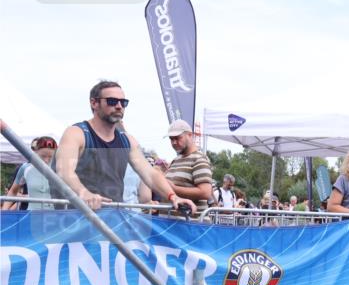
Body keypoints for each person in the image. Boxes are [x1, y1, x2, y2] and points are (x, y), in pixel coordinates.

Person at [55, 81, 196, 214]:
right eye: (112, 101)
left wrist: (173, 197)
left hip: (111, 221)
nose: (119, 106)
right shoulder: (76, 133)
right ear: (94, 103)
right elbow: (64, 170)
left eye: (123, 102)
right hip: (73, 220)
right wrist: (84, 193)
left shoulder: (127, 140)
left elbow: (150, 174)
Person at [165, 119, 214, 215]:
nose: (174, 142)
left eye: (178, 138)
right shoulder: (175, 160)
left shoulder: (199, 159)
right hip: (172, 224)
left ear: (190, 135)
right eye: (171, 139)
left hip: (190, 224)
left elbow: (205, 193)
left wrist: (173, 188)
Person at [3, 136, 56, 210]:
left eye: (50, 157)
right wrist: (4, 211)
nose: (46, 160)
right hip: (32, 216)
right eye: (43, 156)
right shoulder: (26, 168)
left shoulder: (60, 168)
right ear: (35, 152)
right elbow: (13, 191)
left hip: (57, 216)